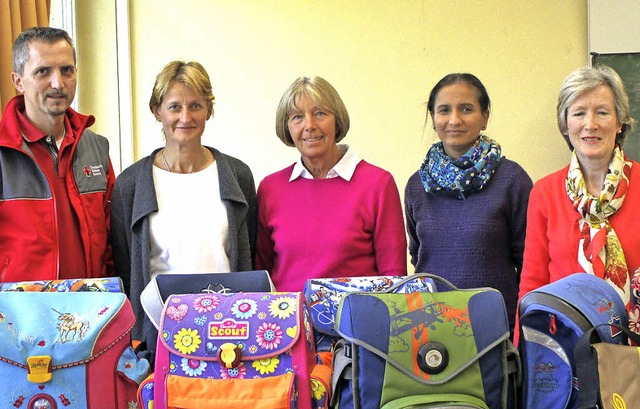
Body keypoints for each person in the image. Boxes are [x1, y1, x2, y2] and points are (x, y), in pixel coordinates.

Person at [111, 61, 257, 349]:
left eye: (196, 106)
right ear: (157, 111)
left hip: (229, 329)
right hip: (158, 332)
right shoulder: (131, 184)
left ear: (209, 110)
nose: (185, 117)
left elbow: (250, 251)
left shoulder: (238, 176)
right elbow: (125, 265)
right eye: (175, 107)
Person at [404, 73, 532, 328]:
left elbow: (527, 262)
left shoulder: (512, 180)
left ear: (484, 117)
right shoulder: (417, 185)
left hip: (494, 328)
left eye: (466, 109)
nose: (454, 120)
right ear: (433, 119)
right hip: (432, 328)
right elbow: (418, 254)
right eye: (444, 110)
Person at [256, 76, 407, 291]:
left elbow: (394, 279)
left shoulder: (378, 184)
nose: (309, 126)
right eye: (297, 117)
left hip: (357, 322)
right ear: (286, 126)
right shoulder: (270, 189)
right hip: (289, 322)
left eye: (320, 114)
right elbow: (262, 275)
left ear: (337, 120)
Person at [520, 65, 640, 325]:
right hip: (565, 348)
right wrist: (526, 353)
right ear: (565, 125)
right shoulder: (545, 192)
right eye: (579, 113)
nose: (590, 124)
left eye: (602, 112)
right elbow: (533, 284)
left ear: (620, 122)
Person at [0, 26, 114, 283]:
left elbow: (112, 243)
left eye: (67, 70)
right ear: (18, 81)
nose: (58, 83)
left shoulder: (97, 148)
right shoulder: (3, 152)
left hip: (91, 311)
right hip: (17, 317)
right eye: (43, 71)